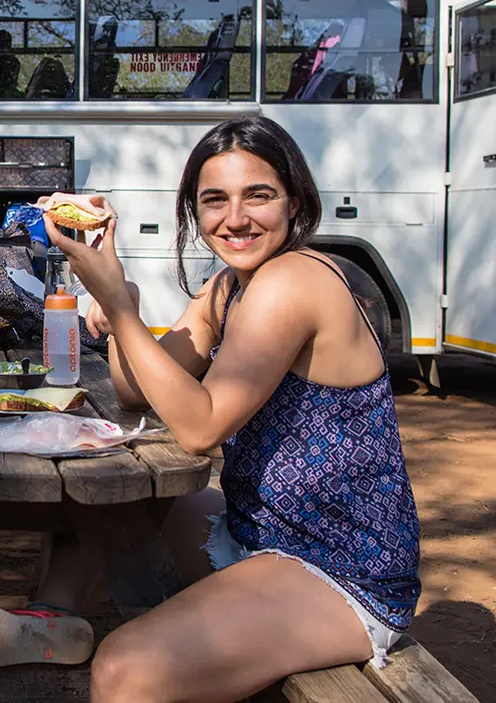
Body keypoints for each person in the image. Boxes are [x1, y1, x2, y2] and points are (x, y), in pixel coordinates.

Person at [48, 115, 420, 701]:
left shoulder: (295, 280)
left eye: (259, 196)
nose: (236, 218)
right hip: (257, 533)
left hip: (339, 572)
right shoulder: (229, 286)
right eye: (214, 200)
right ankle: (49, 618)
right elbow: (136, 390)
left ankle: (81, 625)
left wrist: (118, 305)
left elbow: (199, 427)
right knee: (107, 492)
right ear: (196, 213)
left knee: (124, 669)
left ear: (294, 202)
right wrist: (117, 300)